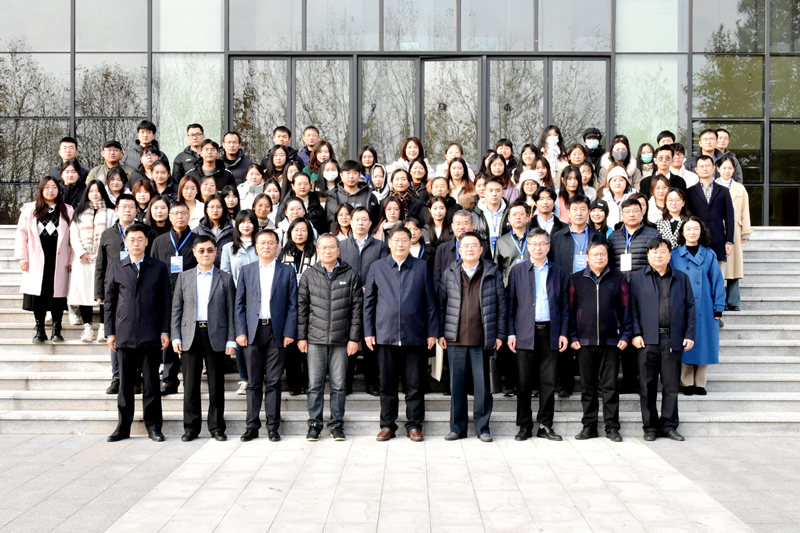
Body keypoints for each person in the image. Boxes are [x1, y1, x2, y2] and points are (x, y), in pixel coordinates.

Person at [363, 226, 438, 442]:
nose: (400, 244)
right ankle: (388, 425)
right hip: (384, 335)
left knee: (414, 384)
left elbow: (430, 302)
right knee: (387, 384)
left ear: (410, 242)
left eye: (404, 240)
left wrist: (432, 332)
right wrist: (368, 331)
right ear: (389, 243)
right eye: (396, 240)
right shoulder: (378, 267)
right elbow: (369, 303)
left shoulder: (421, 267)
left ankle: (414, 425)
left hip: (415, 335)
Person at [105, 224, 171, 443]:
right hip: (124, 334)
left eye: (140, 239)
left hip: (151, 334)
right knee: (125, 385)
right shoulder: (117, 267)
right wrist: (110, 332)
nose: (135, 243)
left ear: (146, 242)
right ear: (126, 243)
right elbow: (110, 302)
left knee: (151, 384)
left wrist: (165, 330)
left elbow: (165, 301)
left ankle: (154, 427)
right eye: (131, 240)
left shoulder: (158, 267)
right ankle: (123, 427)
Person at [438, 231, 506, 442]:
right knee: (456, 386)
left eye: (474, 245)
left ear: (481, 249)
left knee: (482, 387)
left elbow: (501, 305)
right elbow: (441, 305)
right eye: (465, 245)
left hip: (482, 339)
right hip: (455, 339)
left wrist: (500, 334)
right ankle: (457, 428)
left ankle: (483, 427)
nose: (469, 249)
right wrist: (440, 333)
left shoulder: (492, 272)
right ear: (459, 250)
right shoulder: (449, 272)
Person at [296, 234, 363, 441]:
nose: (327, 251)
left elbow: (356, 310)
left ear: (338, 250)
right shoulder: (309, 275)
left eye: (331, 247)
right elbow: (302, 309)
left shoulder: (350, 274)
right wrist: (301, 337)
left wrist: (354, 339)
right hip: (315, 339)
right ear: (317, 251)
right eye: (323, 247)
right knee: (314, 385)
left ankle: (336, 425)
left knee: (339, 385)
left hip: (341, 340)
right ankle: (314, 424)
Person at [171, 235, 236, 442]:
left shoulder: (225, 278)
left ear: (216, 252)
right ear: (194, 253)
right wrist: (175, 336)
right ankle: (191, 428)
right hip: (190, 335)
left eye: (209, 250)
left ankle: (217, 427)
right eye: (201, 250)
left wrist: (231, 340)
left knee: (216, 385)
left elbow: (231, 311)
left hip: (216, 334)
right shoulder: (184, 277)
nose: (205, 254)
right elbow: (176, 309)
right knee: (190, 385)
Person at [630, 237, 696, 441]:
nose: (658, 255)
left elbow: (690, 307)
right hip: (646, 340)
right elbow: (631, 308)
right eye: (654, 251)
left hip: (673, 339)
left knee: (671, 385)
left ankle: (668, 425)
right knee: (647, 386)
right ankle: (650, 427)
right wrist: (635, 333)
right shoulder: (637, 278)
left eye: (662, 251)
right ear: (648, 255)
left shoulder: (681, 278)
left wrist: (689, 334)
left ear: (669, 255)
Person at [507, 228, 569, 441]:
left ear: (549, 246)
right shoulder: (518, 270)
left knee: (548, 382)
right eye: (533, 244)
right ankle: (524, 426)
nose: (538, 248)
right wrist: (511, 333)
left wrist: (563, 332)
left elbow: (565, 306)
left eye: (542, 243)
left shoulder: (559, 271)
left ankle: (545, 425)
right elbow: (511, 305)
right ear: (528, 247)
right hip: (525, 332)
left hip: (550, 332)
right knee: (524, 382)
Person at [236, 229, 297, 442]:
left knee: (273, 381)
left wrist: (289, 331)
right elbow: (239, 304)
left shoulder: (287, 271)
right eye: (262, 243)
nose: (266, 246)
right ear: (256, 246)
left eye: (271, 242)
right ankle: (252, 426)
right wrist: (241, 331)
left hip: (277, 331)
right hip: (253, 332)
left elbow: (292, 305)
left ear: (277, 246)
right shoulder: (246, 271)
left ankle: (273, 426)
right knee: (253, 382)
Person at [568, 242, 631, 442]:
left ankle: (612, 427)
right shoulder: (576, 279)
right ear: (587, 257)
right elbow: (569, 310)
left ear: (608, 256)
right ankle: (589, 426)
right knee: (587, 387)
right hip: (584, 343)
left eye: (602, 254)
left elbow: (626, 309)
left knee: (610, 387)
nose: (599, 258)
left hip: (611, 342)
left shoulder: (618, 278)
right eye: (595, 254)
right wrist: (572, 336)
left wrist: (625, 335)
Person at [548, 195, 606, 397]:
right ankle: (564, 383)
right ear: (568, 212)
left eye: (583, 209)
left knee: (590, 335)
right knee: (564, 332)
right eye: (575, 209)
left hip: (590, 288)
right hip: (565, 289)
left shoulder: (598, 236)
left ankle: (595, 382)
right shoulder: (558, 237)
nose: (579, 213)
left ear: (588, 211)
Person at [607, 198, 659, 393]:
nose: (631, 214)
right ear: (622, 214)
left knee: (642, 334)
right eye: (627, 211)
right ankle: (628, 379)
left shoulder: (653, 234)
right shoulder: (614, 237)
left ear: (642, 213)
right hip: (620, 293)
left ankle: (642, 379)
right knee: (625, 333)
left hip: (644, 291)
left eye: (635, 211)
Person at [15, 177, 74, 343]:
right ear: (41, 190)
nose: (50, 190)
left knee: (57, 295)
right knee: (39, 295)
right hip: (36, 258)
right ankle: (39, 329)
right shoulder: (30, 209)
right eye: (47, 187)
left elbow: (73, 237)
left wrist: (71, 259)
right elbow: (22, 234)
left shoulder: (67, 210)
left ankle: (57, 329)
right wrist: (23, 257)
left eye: (54, 187)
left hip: (59, 258)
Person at [671, 218, 726, 396]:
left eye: (695, 228)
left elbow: (717, 281)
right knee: (685, 342)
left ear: (701, 231)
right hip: (682, 305)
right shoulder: (675, 254)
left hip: (705, 305)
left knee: (704, 342)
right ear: (682, 232)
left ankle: (700, 383)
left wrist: (718, 306)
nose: (692, 232)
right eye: (688, 229)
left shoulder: (709, 254)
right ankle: (686, 382)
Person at [338, 206, 389, 397]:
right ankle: (346, 383)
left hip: (371, 301)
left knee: (370, 343)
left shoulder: (380, 247)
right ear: (350, 222)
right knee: (348, 342)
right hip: (347, 300)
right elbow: (338, 272)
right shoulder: (341, 246)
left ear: (370, 223)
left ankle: (372, 383)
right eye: (357, 219)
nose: (360, 223)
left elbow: (384, 271)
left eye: (364, 219)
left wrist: (370, 287)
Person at [150, 201, 197, 395]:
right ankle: (169, 380)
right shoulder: (159, 242)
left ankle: (190, 381)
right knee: (168, 337)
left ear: (189, 215)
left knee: (190, 338)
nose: (180, 217)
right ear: (169, 217)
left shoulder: (198, 241)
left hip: (191, 297)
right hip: (166, 296)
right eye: (175, 213)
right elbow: (152, 270)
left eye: (183, 213)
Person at [94, 194, 140, 393]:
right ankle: (117, 377)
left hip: (137, 291)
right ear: (116, 210)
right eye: (123, 207)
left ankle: (136, 377)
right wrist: (99, 290)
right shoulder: (108, 234)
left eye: (131, 207)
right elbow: (100, 264)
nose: (127, 210)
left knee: (137, 335)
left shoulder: (142, 232)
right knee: (114, 336)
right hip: (113, 291)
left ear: (136, 210)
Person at [68, 181, 116, 343]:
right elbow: (73, 235)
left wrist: (103, 254)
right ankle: (87, 328)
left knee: (103, 292)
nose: (94, 194)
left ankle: (103, 327)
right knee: (84, 293)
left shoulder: (111, 213)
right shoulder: (79, 213)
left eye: (98, 191)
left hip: (103, 260)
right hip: (83, 260)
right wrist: (82, 253)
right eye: (91, 191)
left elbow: (112, 235)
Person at [220, 209, 260, 395]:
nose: (246, 225)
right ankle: (244, 378)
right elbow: (225, 274)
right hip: (238, 299)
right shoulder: (229, 248)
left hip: (259, 298)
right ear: (237, 225)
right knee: (241, 338)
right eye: (242, 222)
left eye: (250, 221)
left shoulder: (261, 245)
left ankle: (258, 376)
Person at [277, 218, 317, 396]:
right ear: (290, 233)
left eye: (303, 230)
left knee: (308, 346)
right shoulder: (283, 254)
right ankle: (293, 383)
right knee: (290, 345)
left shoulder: (316, 252)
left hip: (311, 304)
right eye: (296, 230)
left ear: (309, 233)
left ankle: (308, 382)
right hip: (288, 305)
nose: (299, 233)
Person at [686, 155, 735, 269]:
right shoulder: (690, 192)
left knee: (718, 276)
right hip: (697, 241)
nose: (705, 169)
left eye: (708, 166)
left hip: (718, 241)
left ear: (713, 168)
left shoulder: (724, 191)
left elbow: (729, 218)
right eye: (701, 166)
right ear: (696, 169)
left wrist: (729, 241)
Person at [716, 155, 752, 311]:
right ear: (718, 169)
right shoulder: (714, 186)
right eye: (724, 168)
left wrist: (746, 231)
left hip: (735, 231)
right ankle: (720, 300)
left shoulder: (740, 188)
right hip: (717, 229)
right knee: (720, 267)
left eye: (730, 168)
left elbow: (745, 210)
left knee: (734, 266)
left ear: (734, 170)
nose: (727, 171)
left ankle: (734, 301)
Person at [325, 160, 380, 225]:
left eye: (355, 173)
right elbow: (330, 220)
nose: (351, 177)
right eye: (348, 173)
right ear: (341, 175)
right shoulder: (333, 196)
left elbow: (375, 219)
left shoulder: (369, 195)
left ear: (359, 175)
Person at [494, 201, 531, 285]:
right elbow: (497, 269)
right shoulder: (501, 242)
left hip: (532, 284)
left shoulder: (535, 239)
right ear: (509, 218)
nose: (518, 217)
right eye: (514, 214)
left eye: (521, 214)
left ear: (527, 217)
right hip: (509, 286)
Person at [192, 193, 233, 267]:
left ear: (223, 209)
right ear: (206, 210)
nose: (215, 210)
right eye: (212, 207)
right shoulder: (197, 232)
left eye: (219, 207)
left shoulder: (232, 231)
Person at [473, 177, 509, 253]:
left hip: (506, 254)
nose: (494, 194)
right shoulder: (474, 214)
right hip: (483, 256)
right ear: (484, 192)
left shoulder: (510, 212)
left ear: (503, 192)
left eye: (498, 190)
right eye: (490, 190)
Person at [601, 164, 634, 229]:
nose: (618, 183)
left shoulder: (633, 198)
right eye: (614, 180)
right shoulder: (604, 201)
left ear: (626, 182)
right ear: (609, 183)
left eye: (621, 180)